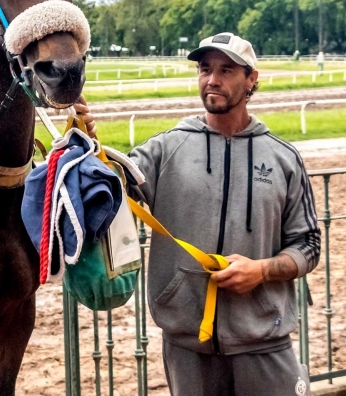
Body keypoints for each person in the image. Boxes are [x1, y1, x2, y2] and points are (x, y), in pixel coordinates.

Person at [83, 33, 320, 396]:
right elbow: (109, 186)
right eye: (205, 69)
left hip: (264, 341)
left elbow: (308, 245)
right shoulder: (164, 149)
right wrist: (88, 140)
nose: (213, 79)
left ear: (252, 78)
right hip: (186, 344)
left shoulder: (283, 158)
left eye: (226, 70)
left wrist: (259, 271)